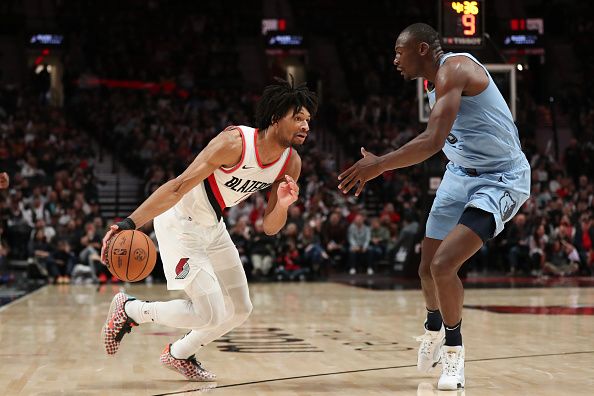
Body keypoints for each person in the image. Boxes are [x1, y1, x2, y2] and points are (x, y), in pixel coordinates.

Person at [338, 23, 530, 390]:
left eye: (400, 51)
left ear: (423, 49)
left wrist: (379, 164)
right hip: (459, 174)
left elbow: (432, 139)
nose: (395, 59)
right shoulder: (433, 86)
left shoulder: (456, 69)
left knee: (445, 265)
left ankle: (455, 355)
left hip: (500, 177)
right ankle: (433, 328)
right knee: (426, 269)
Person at [100, 77, 317, 381]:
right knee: (209, 312)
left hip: (212, 226)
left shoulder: (290, 163)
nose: (306, 126)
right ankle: (132, 309)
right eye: (298, 118)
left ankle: (179, 353)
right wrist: (128, 223)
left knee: (241, 308)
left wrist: (281, 206)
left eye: (307, 119)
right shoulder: (235, 143)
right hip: (180, 222)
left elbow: (270, 228)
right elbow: (178, 186)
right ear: (275, 117)